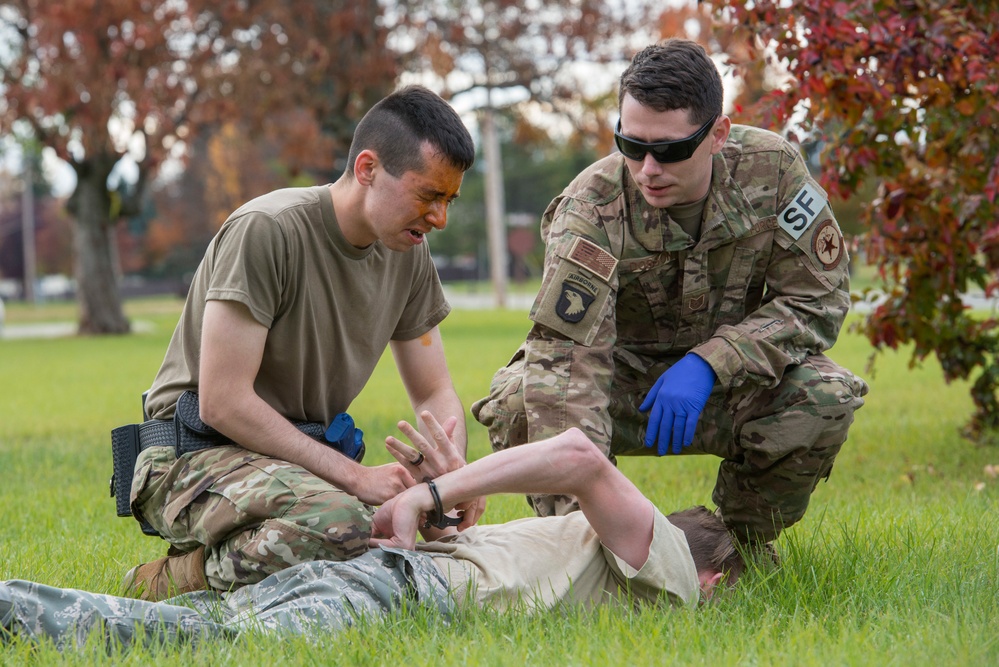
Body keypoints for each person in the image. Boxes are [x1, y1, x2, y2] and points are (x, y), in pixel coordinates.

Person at [472, 38, 869, 547]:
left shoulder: (772, 172)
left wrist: (712, 362)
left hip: (729, 385)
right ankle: (588, 551)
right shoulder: (590, 208)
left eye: (670, 150)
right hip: (621, 388)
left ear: (718, 135)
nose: (648, 170)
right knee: (519, 401)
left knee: (825, 397)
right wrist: (590, 535)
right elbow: (568, 362)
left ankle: (737, 549)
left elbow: (817, 299)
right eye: (632, 146)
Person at [123, 85, 482, 600]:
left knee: (384, 521)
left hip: (289, 460)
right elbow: (222, 402)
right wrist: (355, 479)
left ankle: (261, 540)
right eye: (428, 196)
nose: (440, 218)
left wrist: (449, 480)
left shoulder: (408, 252)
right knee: (346, 525)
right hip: (189, 453)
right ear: (367, 169)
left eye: (449, 200)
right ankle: (173, 579)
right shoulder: (267, 230)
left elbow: (434, 392)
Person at [1, 421, 744, 650]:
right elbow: (580, 453)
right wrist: (432, 492)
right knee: (196, 644)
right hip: (394, 588)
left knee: (196, 631)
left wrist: (441, 494)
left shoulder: (584, 556)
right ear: (711, 581)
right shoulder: (674, 573)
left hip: (380, 578)